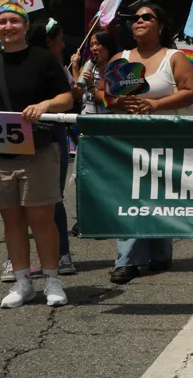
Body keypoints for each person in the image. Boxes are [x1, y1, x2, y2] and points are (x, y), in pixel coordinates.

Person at [0, 1, 74, 308]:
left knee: (42, 218)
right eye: (2, 22)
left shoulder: (44, 59)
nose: (8, 27)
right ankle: (23, 281)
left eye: (14, 21)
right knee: (11, 221)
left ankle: (52, 279)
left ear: (25, 26)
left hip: (38, 149)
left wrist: (45, 105)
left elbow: (66, 98)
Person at [108, 2, 193, 285]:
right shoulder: (120, 58)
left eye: (147, 17)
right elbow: (104, 95)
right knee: (131, 196)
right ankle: (127, 261)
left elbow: (192, 92)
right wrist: (118, 102)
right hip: (128, 141)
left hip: (164, 139)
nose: (139, 21)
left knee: (160, 195)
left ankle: (161, 251)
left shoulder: (174, 57)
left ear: (160, 25)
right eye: (135, 18)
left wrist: (156, 104)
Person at [16, 17, 77, 277]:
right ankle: (15, 260)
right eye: (60, 40)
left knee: (53, 197)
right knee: (16, 199)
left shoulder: (56, 67)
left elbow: (69, 99)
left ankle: (62, 255)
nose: (63, 46)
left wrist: (47, 104)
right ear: (49, 41)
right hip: (18, 134)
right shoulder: (15, 64)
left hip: (51, 134)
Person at [69, 28, 119, 237]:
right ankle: (84, 217)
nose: (94, 48)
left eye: (98, 44)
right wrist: (76, 68)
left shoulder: (116, 68)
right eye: (91, 44)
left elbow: (108, 99)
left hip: (108, 126)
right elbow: (77, 92)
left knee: (107, 173)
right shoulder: (89, 66)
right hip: (88, 124)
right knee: (82, 173)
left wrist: (91, 85)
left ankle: (108, 217)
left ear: (108, 46)